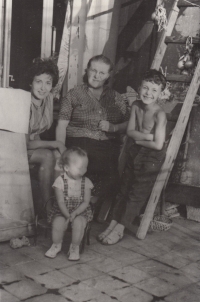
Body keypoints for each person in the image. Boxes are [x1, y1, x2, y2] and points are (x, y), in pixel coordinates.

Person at [97, 69, 167, 245]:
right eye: (145, 88)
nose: (148, 93)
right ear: (139, 87)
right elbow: (129, 131)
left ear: (160, 94)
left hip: (152, 156)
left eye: (154, 90)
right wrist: (149, 137)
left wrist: (139, 139)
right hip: (135, 151)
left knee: (136, 193)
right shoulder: (136, 105)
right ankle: (112, 223)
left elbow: (158, 145)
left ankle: (120, 228)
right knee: (124, 188)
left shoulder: (160, 114)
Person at [56, 55, 129, 217]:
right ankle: (83, 206)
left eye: (102, 73)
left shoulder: (116, 97)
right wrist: (61, 147)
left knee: (114, 174)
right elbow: (62, 125)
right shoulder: (74, 94)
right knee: (87, 162)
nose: (97, 76)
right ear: (87, 70)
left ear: (109, 75)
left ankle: (90, 203)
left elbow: (129, 123)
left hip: (106, 144)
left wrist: (114, 127)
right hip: (80, 142)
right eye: (93, 70)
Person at [27, 57, 66, 215]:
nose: (43, 88)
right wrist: (56, 143)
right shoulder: (23, 101)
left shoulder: (48, 99)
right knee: (49, 155)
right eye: (38, 81)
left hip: (32, 145)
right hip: (12, 148)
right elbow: (25, 144)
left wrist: (56, 146)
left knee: (58, 156)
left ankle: (58, 205)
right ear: (31, 82)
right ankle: (48, 209)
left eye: (48, 82)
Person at [45, 147, 93, 261]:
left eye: (85, 167)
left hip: (80, 211)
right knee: (58, 224)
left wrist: (75, 213)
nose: (84, 171)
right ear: (66, 167)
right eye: (80, 168)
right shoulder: (60, 181)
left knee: (78, 224)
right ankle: (56, 244)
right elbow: (60, 201)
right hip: (62, 210)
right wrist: (67, 215)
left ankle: (74, 247)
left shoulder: (86, 182)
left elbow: (86, 201)